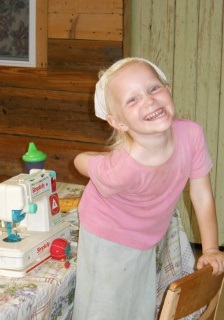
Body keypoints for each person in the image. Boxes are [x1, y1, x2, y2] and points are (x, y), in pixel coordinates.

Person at [72, 57, 224, 320]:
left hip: (145, 234)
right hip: (106, 234)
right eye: (132, 99)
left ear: (168, 87)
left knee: (137, 302)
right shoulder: (122, 169)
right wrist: (96, 162)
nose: (149, 101)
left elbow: (201, 196)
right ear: (118, 122)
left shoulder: (191, 136)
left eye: (154, 88)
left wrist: (210, 248)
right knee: (102, 308)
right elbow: (79, 161)